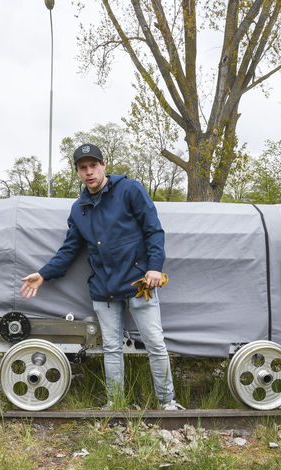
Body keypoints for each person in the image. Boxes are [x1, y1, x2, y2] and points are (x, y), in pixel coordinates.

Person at [20, 143, 182, 410]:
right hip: (104, 289)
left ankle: (167, 403)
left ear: (103, 166)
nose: (89, 172)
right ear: (78, 172)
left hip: (139, 283)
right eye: (83, 168)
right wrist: (44, 274)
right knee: (112, 349)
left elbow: (154, 230)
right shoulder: (79, 209)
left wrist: (155, 267)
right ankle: (115, 403)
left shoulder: (130, 190)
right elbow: (70, 249)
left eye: (93, 165)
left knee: (155, 343)